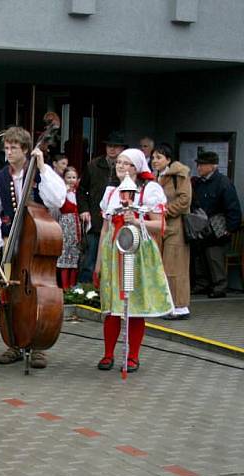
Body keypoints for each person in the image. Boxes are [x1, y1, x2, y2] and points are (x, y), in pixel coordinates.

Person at [0, 127, 67, 369]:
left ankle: (36, 344)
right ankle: (14, 342)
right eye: (6, 147)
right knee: (9, 294)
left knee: (37, 293)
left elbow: (58, 199)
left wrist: (43, 168)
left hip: (36, 244)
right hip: (10, 243)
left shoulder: (39, 173)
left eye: (13, 148)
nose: (8, 152)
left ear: (26, 150)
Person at [94, 148, 173, 372]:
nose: (121, 166)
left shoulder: (149, 190)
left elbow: (161, 226)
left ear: (137, 168)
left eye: (127, 163)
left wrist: (138, 221)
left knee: (134, 305)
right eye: (119, 162)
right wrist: (99, 263)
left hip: (137, 253)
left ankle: (133, 356)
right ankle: (108, 354)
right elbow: (105, 229)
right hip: (113, 253)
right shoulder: (111, 192)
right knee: (111, 306)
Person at [190, 151, 242, 298]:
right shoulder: (198, 183)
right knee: (199, 257)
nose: (198, 167)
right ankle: (202, 284)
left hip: (218, 227)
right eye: (198, 164)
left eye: (202, 164)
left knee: (215, 258)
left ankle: (220, 286)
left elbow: (233, 208)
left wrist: (230, 229)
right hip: (201, 225)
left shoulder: (223, 182)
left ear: (212, 166)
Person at [77, 131, 126, 283]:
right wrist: (84, 209)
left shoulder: (126, 168)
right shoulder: (93, 165)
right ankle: (85, 291)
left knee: (115, 261)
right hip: (95, 219)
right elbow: (81, 190)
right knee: (90, 259)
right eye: (109, 146)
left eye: (116, 147)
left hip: (117, 220)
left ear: (122, 149)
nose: (112, 149)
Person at [151, 143, 192, 319]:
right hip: (160, 228)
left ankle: (180, 306)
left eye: (159, 157)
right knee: (162, 268)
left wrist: (165, 211)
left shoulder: (180, 174)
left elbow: (185, 200)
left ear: (168, 159)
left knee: (176, 268)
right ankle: (167, 304)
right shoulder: (154, 176)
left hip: (176, 227)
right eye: (153, 157)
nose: (155, 161)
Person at [55, 166, 81, 289]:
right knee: (65, 253)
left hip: (77, 225)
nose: (71, 180)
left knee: (75, 254)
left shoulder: (79, 193)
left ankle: (73, 285)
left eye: (74, 177)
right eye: (69, 177)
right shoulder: (61, 193)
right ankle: (64, 285)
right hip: (65, 224)